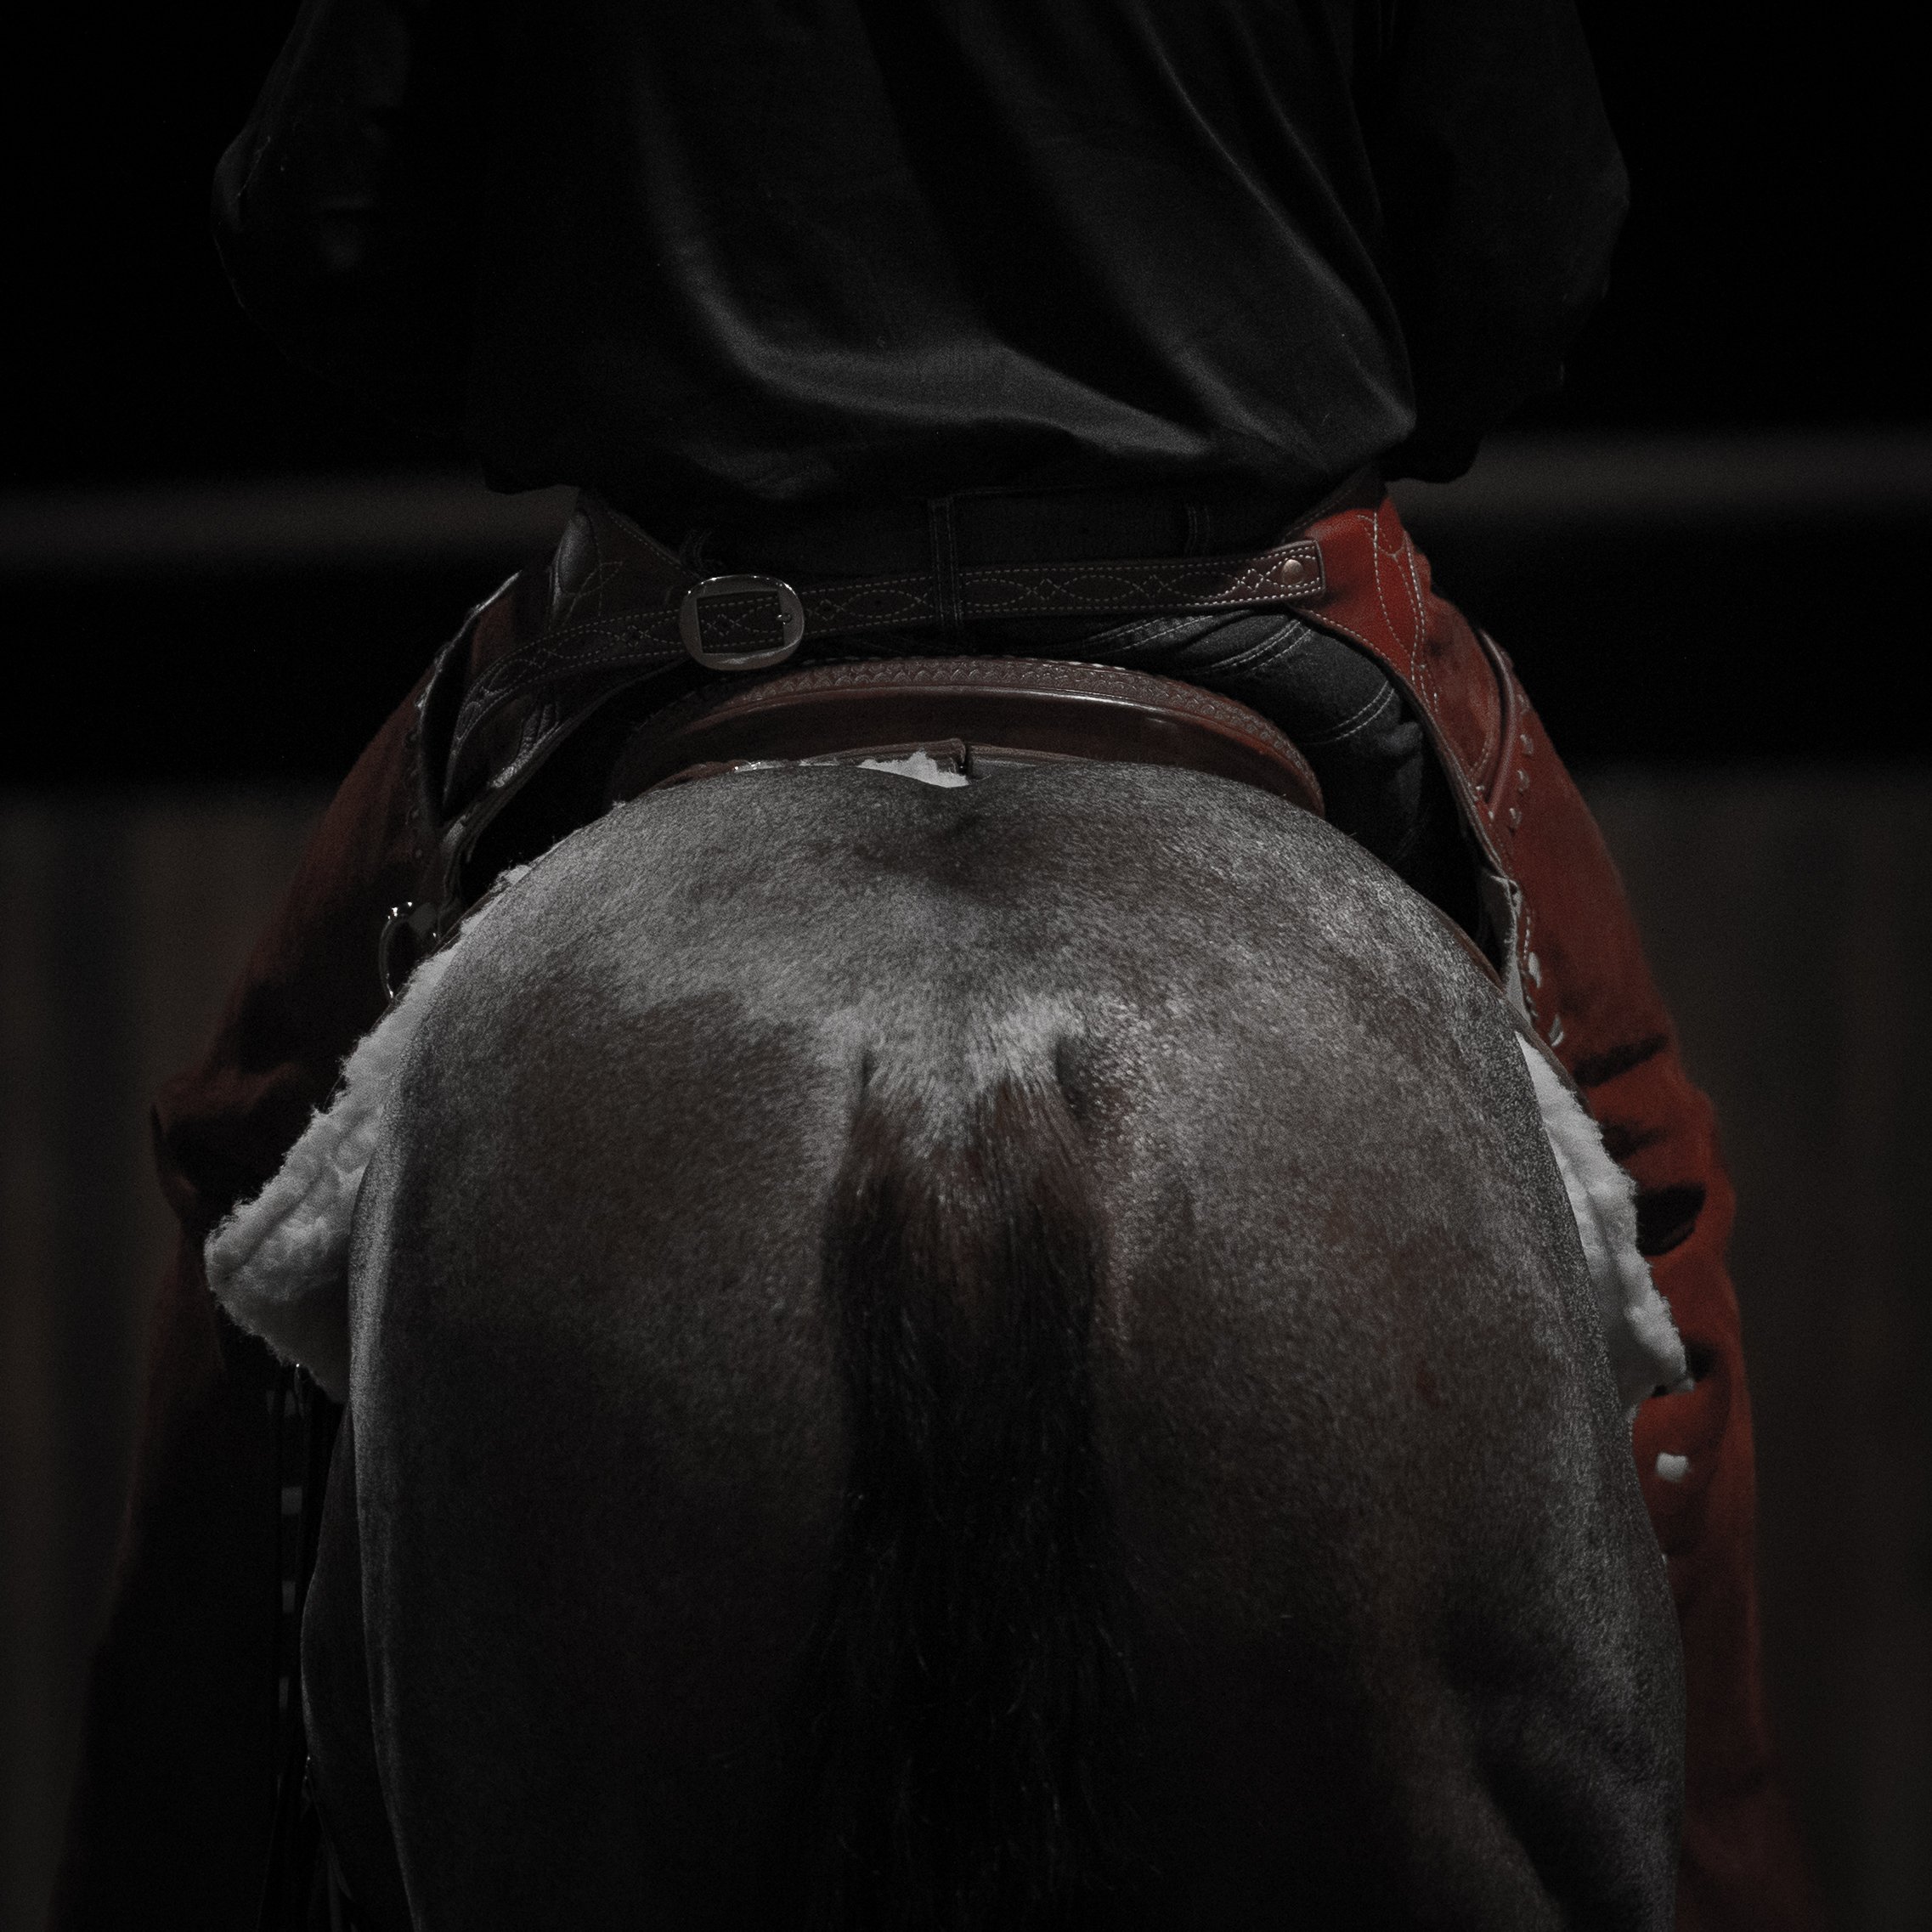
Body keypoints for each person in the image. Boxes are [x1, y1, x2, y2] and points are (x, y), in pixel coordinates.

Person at [52, 1, 1818, 1925]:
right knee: (1644, 1196)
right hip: (1256, 609)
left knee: (253, 1181)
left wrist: (623, 319)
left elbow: (318, 233)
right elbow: (1529, 250)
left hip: (693, 624)